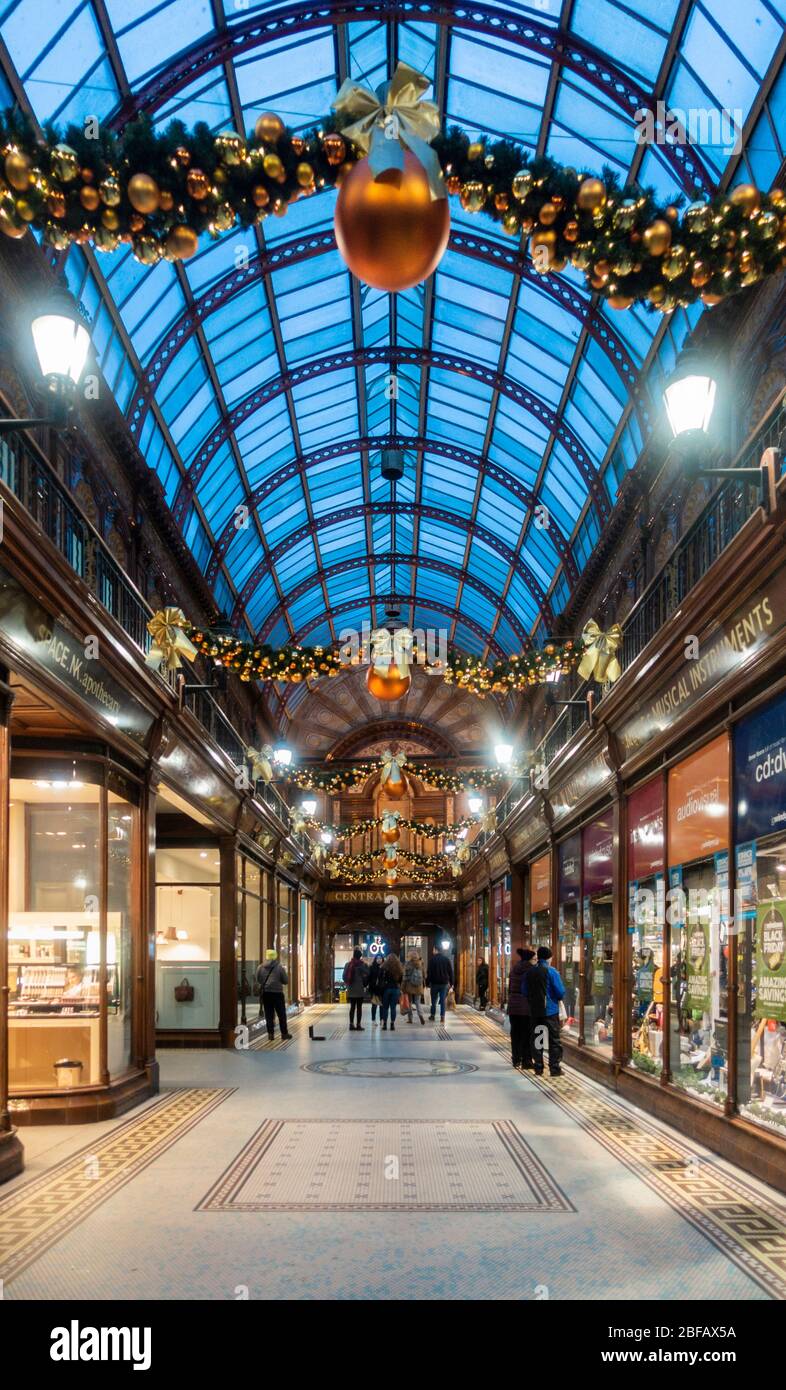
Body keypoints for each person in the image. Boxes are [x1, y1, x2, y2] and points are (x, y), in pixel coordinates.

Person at [524, 946, 565, 1077]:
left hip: (535, 1012)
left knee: (537, 1039)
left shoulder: (529, 972)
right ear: (549, 958)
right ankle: (554, 1068)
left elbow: (524, 991)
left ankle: (538, 1067)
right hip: (550, 1011)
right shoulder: (552, 972)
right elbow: (560, 992)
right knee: (554, 1040)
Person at [507, 947, 535, 1069]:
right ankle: (526, 1061)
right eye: (534, 959)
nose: (535, 961)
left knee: (515, 1033)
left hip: (513, 1006)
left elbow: (510, 988)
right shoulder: (531, 971)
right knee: (527, 1034)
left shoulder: (513, 970)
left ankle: (516, 1059)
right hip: (526, 1007)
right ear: (529, 959)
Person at [256, 948, 292, 1042]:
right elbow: (285, 981)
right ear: (275, 956)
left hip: (266, 993)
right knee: (281, 1014)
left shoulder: (260, 967)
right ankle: (284, 1033)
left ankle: (270, 1034)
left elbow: (258, 979)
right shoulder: (279, 967)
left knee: (269, 1014)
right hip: (277, 994)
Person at [343, 947, 369, 1031]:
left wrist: (348, 984)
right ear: (360, 956)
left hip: (351, 989)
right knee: (359, 1007)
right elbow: (368, 974)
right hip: (360, 989)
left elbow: (344, 977)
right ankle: (358, 1025)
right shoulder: (363, 965)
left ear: (353, 956)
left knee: (352, 1007)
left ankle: (351, 1024)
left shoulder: (348, 964)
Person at [426, 944, 453, 1023]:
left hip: (434, 984)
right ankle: (442, 1017)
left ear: (435, 950)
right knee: (442, 1001)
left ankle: (432, 1015)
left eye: (433, 949)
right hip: (444, 984)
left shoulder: (432, 960)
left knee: (433, 1001)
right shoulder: (446, 959)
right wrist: (452, 983)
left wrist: (427, 983)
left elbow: (429, 973)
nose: (432, 951)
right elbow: (450, 972)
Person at [380, 951, 403, 1030]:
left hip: (386, 989)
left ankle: (385, 1024)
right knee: (393, 1008)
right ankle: (392, 1024)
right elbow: (401, 980)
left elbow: (381, 978)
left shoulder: (384, 967)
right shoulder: (399, 968)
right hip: (395, 989)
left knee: (385, 1007)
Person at [402, 950, 426, 1025]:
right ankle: (421, 1015)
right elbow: (424, 975)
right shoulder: (420, 964)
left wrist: (402, 986)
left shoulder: (408, 964)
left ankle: (410, 1019)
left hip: (409, 986)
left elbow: (405, 977)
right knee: (417, 1002)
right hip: (418, 986)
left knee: (409, 1003)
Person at [367, 953, 385, 1025]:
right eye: (377, 958)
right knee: (374, 1005)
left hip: (382, 989)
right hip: (374, 989)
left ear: (382, 959)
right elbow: (369, 978)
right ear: (375, 959)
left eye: (380, 958)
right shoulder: (372, 967)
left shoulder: (384, 968)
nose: (379, 960)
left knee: (381, 1005)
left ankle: (381, 1019)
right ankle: (373, 1020)